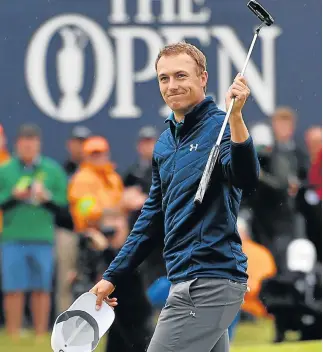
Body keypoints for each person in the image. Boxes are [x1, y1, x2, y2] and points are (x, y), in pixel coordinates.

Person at [90, 42, 259, 352]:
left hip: (209, 280)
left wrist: (236, 118)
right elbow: (150, 220)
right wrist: (113, 275)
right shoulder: (165, 144)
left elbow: (247, 179)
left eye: (181, 75)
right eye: (164, 78)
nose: (172, 85)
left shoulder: (220, 127)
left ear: (203, 78)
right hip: (185, 278)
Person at [0, 124, 67, 340]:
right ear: (17, 145)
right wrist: (13, 195)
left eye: (32, 143)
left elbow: (63, 204)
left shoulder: (52, 169)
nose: (28, 147)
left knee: (42, 287)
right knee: (13, 288)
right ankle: (13, 333)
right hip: (12, 235)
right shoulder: (5, 170)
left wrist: (46, 197)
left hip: (43, 236)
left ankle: (40, 333)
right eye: (24, 143)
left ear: (38, 145)